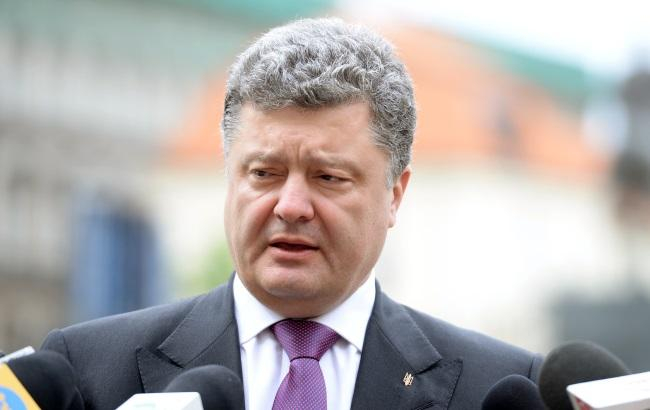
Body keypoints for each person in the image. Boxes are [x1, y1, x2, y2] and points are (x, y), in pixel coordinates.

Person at [42, 18, 542, 410]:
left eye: (328, 177)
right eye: (264, 173)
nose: (291, 206)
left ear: (394, 194)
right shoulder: (83, 374)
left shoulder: (503, 390)